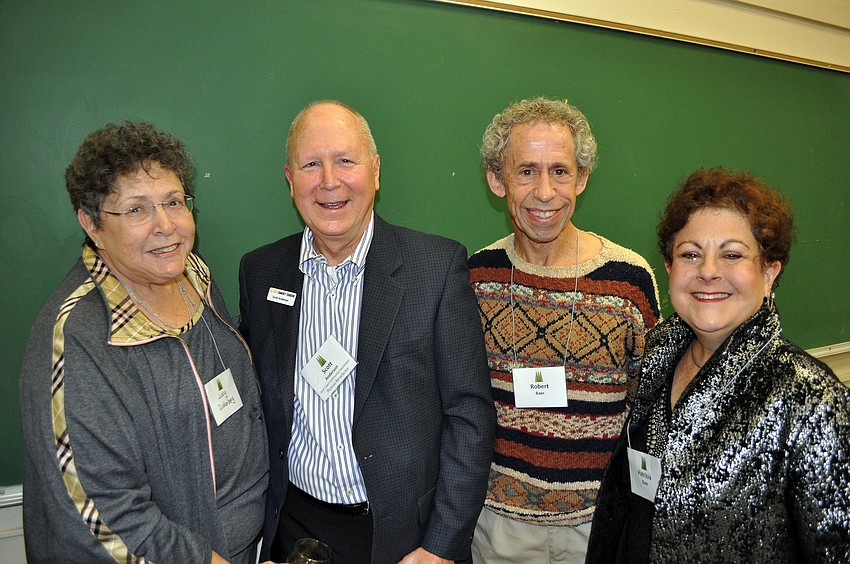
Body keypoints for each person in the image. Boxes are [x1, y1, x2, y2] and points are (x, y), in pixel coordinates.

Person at [238, 100, 496, 564]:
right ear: (289, 178)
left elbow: (469, 417)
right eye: (311, 164)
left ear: (375, 171)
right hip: (293, 525)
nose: (329, 181)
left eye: (345, 161)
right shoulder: (261, 273)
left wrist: (440, 547)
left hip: (401, 536)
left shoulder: (434, 269)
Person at [19, 121, 269, 564]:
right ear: (92, 224)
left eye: (174, 202)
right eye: (136, 210)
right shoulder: (77, 342)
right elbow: (104, 523)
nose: (166, 226)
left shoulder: (194, 274)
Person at [587, 167, 850, 563]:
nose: (708, 271)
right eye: (690, 254)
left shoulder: (810, 398)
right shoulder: (660, 352)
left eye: (732, 254)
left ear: (769, 272)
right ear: (670, 268)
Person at [468, 97, 660, 563]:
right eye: (526, 171)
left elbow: (649, 409)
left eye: (560, 171)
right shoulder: (475, 278)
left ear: (582, 178)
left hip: (598, 528)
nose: (545, 192)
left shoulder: (629, 280)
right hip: (497, 530)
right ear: (498, 180)